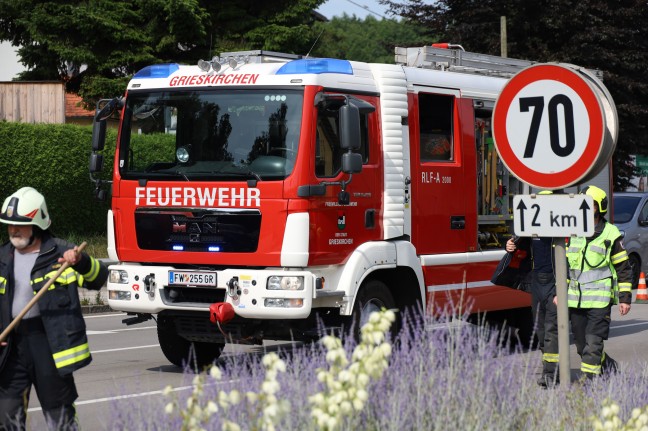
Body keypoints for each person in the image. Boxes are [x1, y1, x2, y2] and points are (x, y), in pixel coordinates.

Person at [0, 187, 108, 430]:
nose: (13, 230)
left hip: (49, 344)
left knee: (60, 417)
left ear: (37, 223)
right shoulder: (3, 257)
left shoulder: (62, 254)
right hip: (12, 348)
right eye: (9, 225)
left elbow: (98, 277)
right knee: (6, 416)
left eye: (19, 224)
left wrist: (81, 262)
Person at [565, 185, 632, 380]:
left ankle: (589, 385)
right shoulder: (572, 232)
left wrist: (625, 298)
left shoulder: (611, 234)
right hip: (576, 301)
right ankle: (609, 366)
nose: (585, 208)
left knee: (593, 344)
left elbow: (624, 268)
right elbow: (564, 267)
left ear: (599, 208)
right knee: (581, 346)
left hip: (600, 302)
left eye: (590, 205)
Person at [505, 192, 559, 388]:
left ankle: (550, 374)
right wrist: (510, 245)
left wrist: (563, 289)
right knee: (541, 329)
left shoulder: (562, 230)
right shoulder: (531, 228)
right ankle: (551, 368)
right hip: (537, 283)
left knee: (552, 330)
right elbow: (519, 246)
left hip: (555, 283)